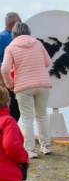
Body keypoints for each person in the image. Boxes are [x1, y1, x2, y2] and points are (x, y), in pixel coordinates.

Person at [1, 23, 52, 158]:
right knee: (41, 115)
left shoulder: (11, 47)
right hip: (43, 84)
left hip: (23, 86)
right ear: (28, 32)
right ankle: (46, 146)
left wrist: (11, 85)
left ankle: (30, 150)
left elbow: (5, 69)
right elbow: (48, 62)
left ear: (13, 34)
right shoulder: (38, 44)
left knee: (27, 118)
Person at [0, 12, 22, 121]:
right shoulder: (3, 38)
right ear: (13, 23)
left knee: (16, 110)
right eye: (20, 22)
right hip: (6, 81)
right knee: (13, 110)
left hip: (16, 81)